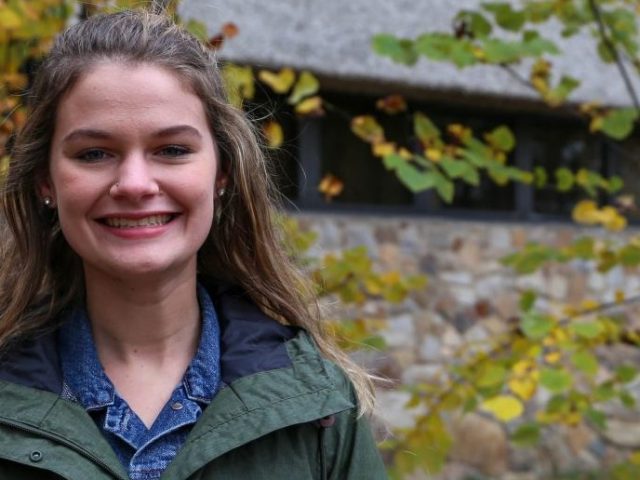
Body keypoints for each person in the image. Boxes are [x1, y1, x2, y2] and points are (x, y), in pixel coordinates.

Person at [0, 10, 386, 480]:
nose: (136, 184)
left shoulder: (318, 405)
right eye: (94, 153)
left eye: (173, 150)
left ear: (222, 172)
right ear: (46, 180)